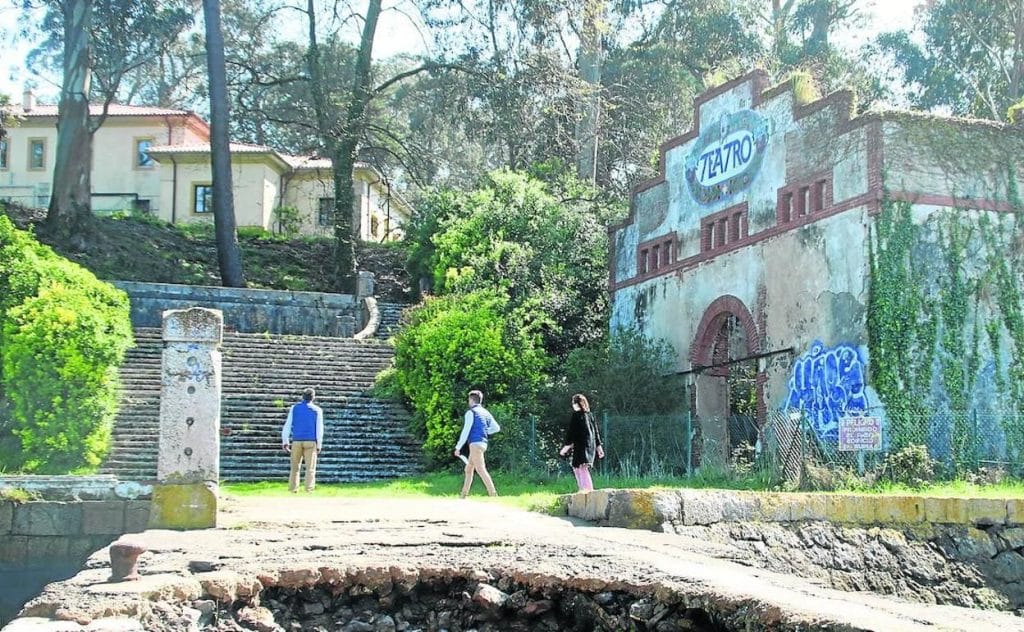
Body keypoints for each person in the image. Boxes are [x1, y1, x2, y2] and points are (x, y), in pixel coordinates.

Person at [453, 390, 498, 498]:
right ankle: (463, 494)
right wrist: (485, 431)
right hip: (483, 443)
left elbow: (466, 431)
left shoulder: (471, 412)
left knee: (480, 469)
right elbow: (496, 428)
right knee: (468, 469)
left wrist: (458, 447)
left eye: (469, 400)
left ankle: (493, 494)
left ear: (471, 400)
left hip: (475, 444)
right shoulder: (486, 412)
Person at [281, 387, 324, 492]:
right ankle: (309, 489)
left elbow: (287, 425)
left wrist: (285, 441)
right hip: (311, 441)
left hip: (297, 440)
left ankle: (293, 488)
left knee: (295, 467)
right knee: (310, 468)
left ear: (302, 397)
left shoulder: (294, 408)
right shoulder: (317, 410)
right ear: (313, 397)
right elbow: (319, 428)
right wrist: (319, 444)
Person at [559, 393, 604, 492]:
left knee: (581, 468)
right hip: (590, 446)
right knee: (577, 467)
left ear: (576, 404)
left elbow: (571, 433)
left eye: (574, 403)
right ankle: (582, 489)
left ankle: (587, 490)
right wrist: (599, 447)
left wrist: (565, 448)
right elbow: (596, 433)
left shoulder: (576, 416)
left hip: (581, 447)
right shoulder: (590, 415)